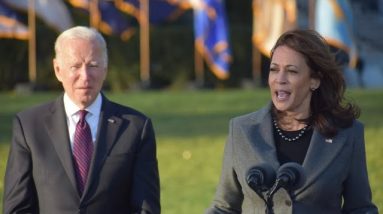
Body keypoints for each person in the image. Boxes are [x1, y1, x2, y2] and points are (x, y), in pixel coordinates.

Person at [206, 29, 378, 213]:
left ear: (314, 81)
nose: (280, 79)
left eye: (291, 71)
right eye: (274, 70)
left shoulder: (347, 133)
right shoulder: (241, 130)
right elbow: (223, 208)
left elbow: (360, 209)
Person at [3, 26, 160, 214]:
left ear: (105, 68)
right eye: (75, 66)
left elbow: (146, 209)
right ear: (58, 70)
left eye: (93, 65)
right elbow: (17, 208)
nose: (85, 76)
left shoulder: (135, 128)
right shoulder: (29, 126)